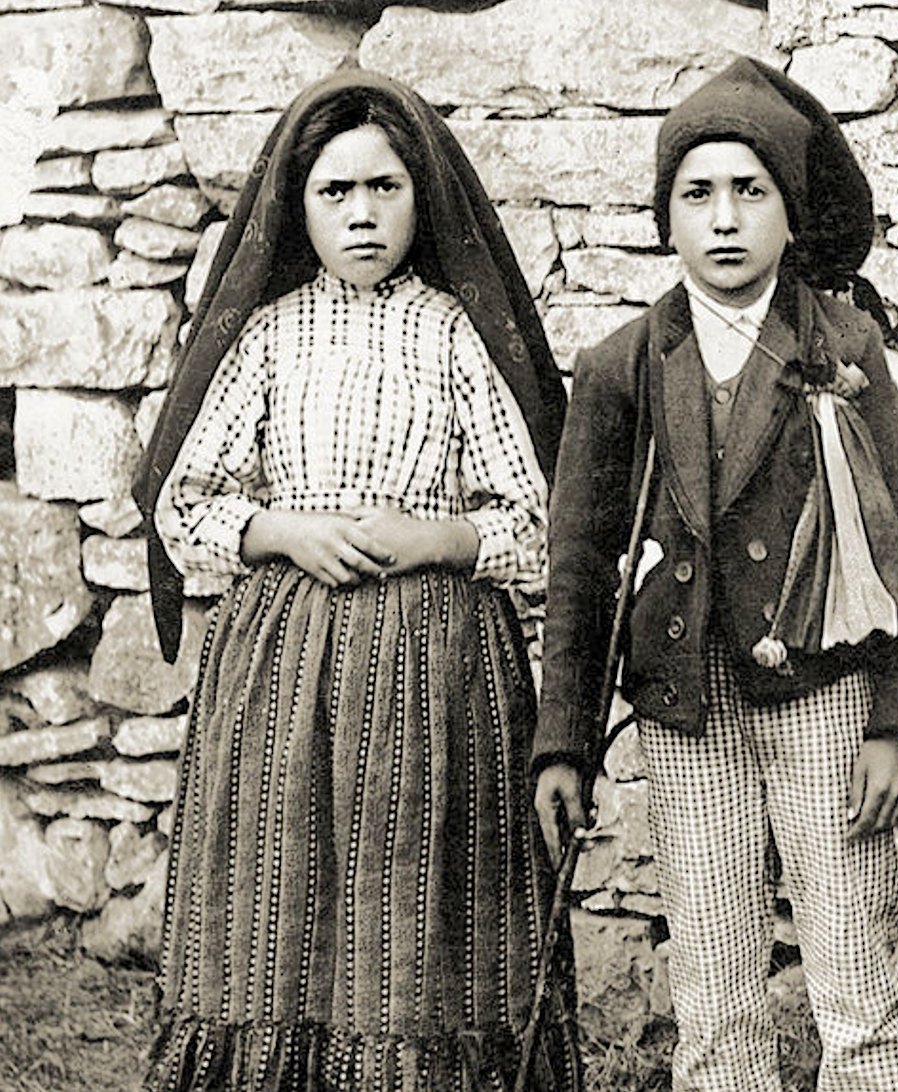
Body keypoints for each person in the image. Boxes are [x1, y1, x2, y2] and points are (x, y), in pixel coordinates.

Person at [133, 70, 580, 1092]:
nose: (362, 214)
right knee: (276, 883)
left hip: (437, 660)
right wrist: (281, 530)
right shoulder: (269, 334)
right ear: (298, 207)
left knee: (414, 891)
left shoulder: (455, 332)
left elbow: (535, 517)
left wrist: (434, 540)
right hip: (282, 662)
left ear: (422, 197)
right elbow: (184, 502)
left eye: (385, 187)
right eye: (335, 192)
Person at [532, 57, 898, 1092]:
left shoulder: (842, 346)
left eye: (750, 192)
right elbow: (580, 564)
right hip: (686, 705)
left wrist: (897, 720)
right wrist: (564, 740)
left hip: (823, 690)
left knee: (853, 959)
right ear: (664, 215)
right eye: (697, 194)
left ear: (789, 215)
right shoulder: (623, 365)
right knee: (713, 978)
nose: (724, 220)